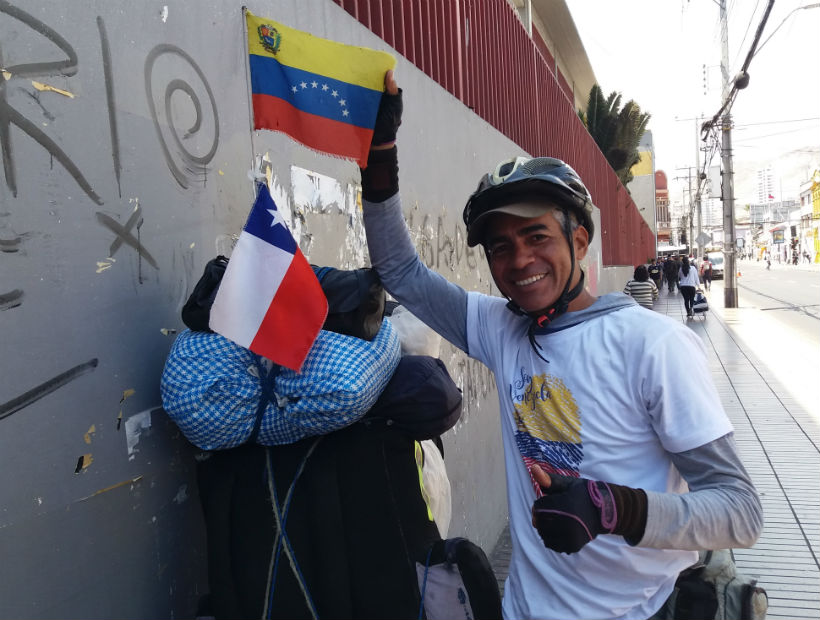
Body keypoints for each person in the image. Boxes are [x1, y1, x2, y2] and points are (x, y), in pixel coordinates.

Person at [358, 71, 761, 620]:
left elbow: (739, 512)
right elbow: (400, 270)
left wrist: (612, 508)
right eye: (501, 247)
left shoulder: (653, 344)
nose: (519, 260)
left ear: (579, 239)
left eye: (537, 236)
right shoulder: (502, 329)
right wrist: (379, 159)